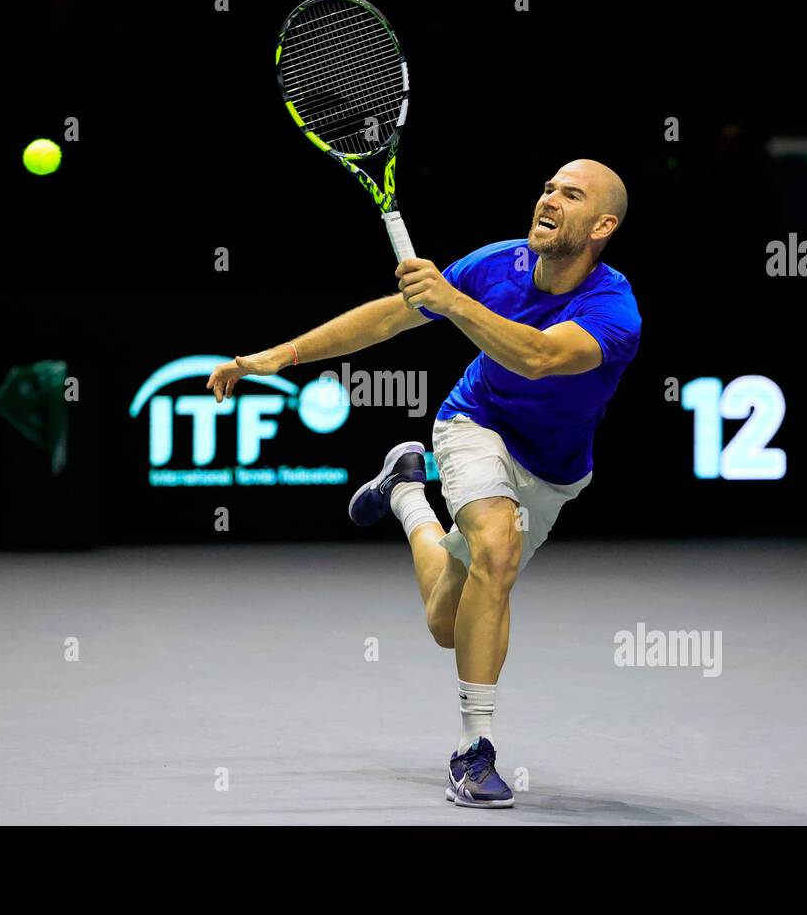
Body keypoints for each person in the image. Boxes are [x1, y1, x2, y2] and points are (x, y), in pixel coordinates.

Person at [207, 159, 641, 808]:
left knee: (447, 621)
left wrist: (451, 300)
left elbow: (540, 356)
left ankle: (406, 491)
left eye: (571, 195)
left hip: (554, 471)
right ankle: (475, 753)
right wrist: (274, 357)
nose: (549, 198)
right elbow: (388, 318)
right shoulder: (498, 265)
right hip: (476, 424)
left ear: (603, 224)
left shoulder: (614, 309)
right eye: (547, 186)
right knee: (496, 546)